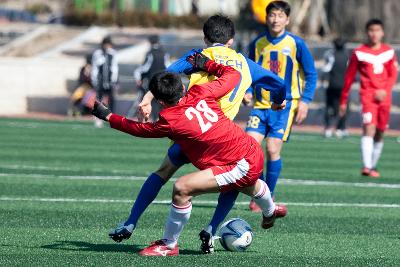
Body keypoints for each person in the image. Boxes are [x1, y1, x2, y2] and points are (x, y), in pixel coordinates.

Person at [107, 15, 286, 251]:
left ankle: (131, 223)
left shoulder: (198, 56)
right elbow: (279, 84)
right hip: (221, 138)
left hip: (188, 128)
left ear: (205, 38)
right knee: (237, 182)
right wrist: (277, 102)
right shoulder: (244, 64)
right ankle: (214, 229)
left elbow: (167, 74)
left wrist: (148, 99)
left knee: (163, 172)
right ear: (231, 40)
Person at [244, 0, 317, 210]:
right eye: (272, 15)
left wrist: (305, 101)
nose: (275, 20)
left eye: (279, 16)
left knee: (272, 147)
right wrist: (247, 92)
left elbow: (311, 74)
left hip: (286, 105)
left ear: (287, 19)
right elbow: (248, 72)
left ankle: (268, 195)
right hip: (260, 105)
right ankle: (261, 192)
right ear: (266, 18)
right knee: (250, 149)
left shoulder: (296, 44)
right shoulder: (257, 44)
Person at [339, 19, 398, 178]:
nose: (374, 33)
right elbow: (349, 77)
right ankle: (367, 166)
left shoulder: (389, 52)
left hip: (384, 98)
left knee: (380, 132)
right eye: (371, 30)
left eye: (377, 30)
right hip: (368, 97)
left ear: (382, 32)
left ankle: (373, 166)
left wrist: (385, 90)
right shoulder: (359, 52)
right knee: (369, 128)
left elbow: (393, 74)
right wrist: (343, 100)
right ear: (367, 32)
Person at [131, 35, 170, 121]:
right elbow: (168, 67)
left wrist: (137, 75)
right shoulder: (164, 53)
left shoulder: (150, 53)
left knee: (153, 101)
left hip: (153, 81)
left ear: (150, 42)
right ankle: (161, 119)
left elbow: (145, 68)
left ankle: (153, 118)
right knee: (162, 101)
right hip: (164, 81)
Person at [322, 38, 349, 138]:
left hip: (332, 85)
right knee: (343, 107)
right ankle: (341, 128)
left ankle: (328, 128)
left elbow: (326, 69)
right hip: (344, 86)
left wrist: (323, 78)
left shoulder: (330, 54)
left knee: (330, 107)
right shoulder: (347, 56)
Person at [91, 36, 119, 127]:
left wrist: (114, 80)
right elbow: (95, 67)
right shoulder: (97, 54)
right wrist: (94, 79)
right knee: (99, 100)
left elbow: (115, 68)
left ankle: (113, 120)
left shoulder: (113, 53)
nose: (107, 46)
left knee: (112, 100)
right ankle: (98, 119)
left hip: (110, 81)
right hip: (100, 81)